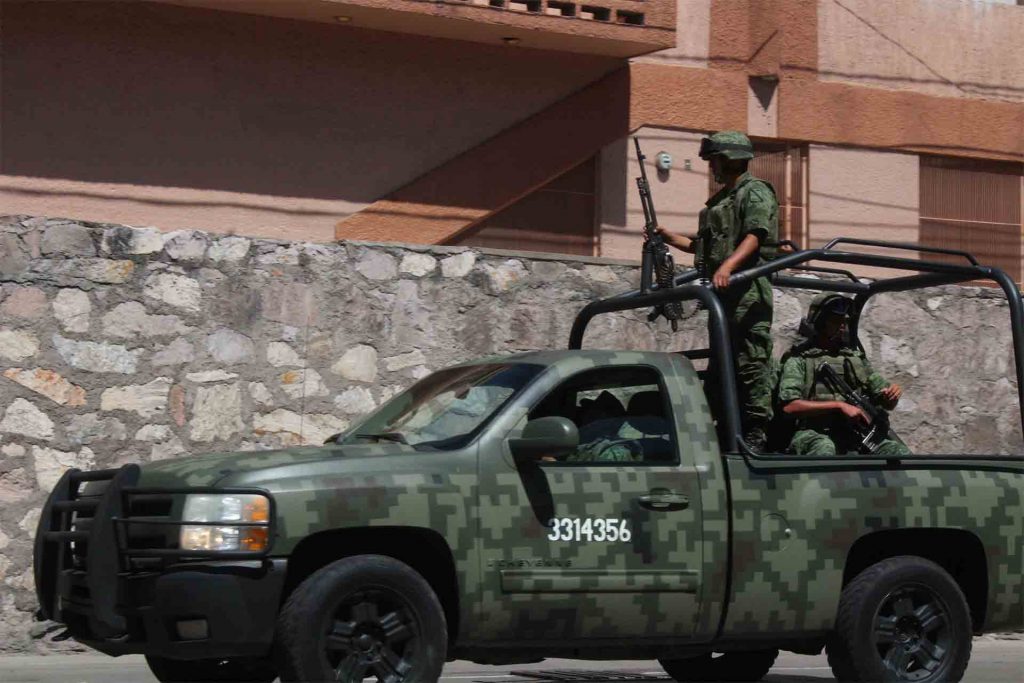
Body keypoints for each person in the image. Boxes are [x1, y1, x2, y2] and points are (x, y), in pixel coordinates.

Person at [657, 131, 778, 451]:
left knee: (750, 363)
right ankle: (726, 428)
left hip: (747, 293)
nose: (712, 167)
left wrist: (727, 267)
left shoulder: (755, 192)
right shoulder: (719, 203)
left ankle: (756, 431)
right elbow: (700, 247)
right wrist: (667, 237)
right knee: (723, 364)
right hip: (722, 297)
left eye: (715, 160)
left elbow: (755, 235)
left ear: (730, 160)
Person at [778, 294, 910, 456]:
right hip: (814, 433)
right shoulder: (799, 359)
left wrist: (891, 395)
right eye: (835, 321)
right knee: (824, 448)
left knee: (899, 453)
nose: (842, 326)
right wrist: (839, 406)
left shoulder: (854, 358)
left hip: (856, 435)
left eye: (844, 321)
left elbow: (884, 397)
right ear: (820, 323)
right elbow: (789, 407)